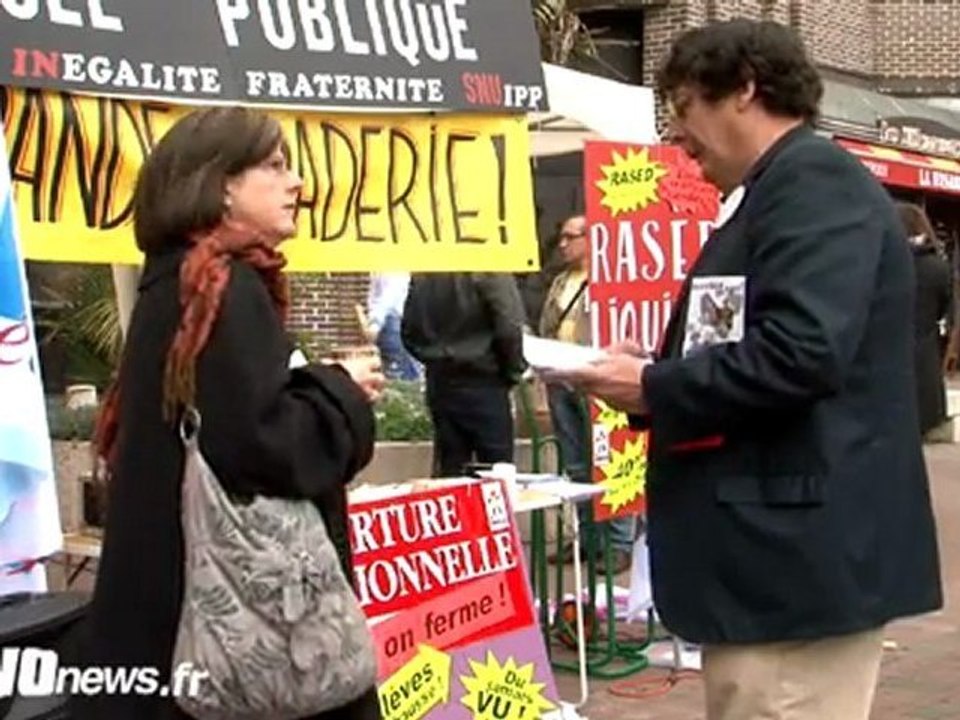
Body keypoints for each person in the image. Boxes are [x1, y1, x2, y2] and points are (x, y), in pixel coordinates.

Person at [548, 20, 942, 720]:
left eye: (683, 106)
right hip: (773, 575)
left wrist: (653, 386)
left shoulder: (814, 185)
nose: (676, 133)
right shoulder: (780, 189)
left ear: (744, 90)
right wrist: (656, 373)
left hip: (792, 570)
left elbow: (800, 354)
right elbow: (764, 342)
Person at [69, 107, 385, 720]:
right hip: (224, 636)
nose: (297, 183)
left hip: (161, 616)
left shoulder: (174, 283)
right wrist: (340, 391)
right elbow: (264, 447)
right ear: (221, 187)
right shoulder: (222, 287)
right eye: (275, 166)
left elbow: (224, 413)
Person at [540, 214, 633, 573]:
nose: (563, 244)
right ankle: (587, 539)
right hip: (561, 377)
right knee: (576, 462)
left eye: (570, 237)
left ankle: (619, 543)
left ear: (591, 239)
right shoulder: (560, 281)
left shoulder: (608, 279)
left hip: (598, 377)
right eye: (561, 238)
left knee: (609, 459)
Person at [401, 273, 526, 477]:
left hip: (440, 380)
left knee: (450, 471)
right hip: (484, 379)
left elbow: (409, 330)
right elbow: (509, 326)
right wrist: (513, 370)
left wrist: (433, 357)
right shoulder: (490, 269)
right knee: (496, 472)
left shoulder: (425, 274)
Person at [898, 203, 954, 436]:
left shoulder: (889, 263)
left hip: (890, 356)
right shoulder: (938, 268)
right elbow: (945, 307)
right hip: (926, 357)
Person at [364, 272, 421, 381]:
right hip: (391, 322)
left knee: (400, 375)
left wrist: (374, 322)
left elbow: (388, 294)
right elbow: (378, 294)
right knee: (400, 375)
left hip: (392, 322)